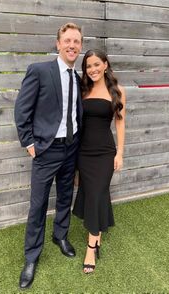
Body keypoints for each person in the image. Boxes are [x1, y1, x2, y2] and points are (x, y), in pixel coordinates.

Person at [14, 23, 83, 289]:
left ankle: (60, 235)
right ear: (58, 43)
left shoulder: (77, 78)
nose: (72, 45)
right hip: (46, 150)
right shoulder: (40, 71)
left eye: (76, 41)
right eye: (67, 40)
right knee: (38, 204)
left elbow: (76, 114)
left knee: (65, 196)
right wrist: (29, 142)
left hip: (71, 148)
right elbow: (22, 111)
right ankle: (32, 256)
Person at [72, 49, 126, 273]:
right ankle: (98, 231)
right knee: (93, 192)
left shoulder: (117, 91)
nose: (92, 69)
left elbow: (120, 123)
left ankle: (91, 246)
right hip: (83, 152)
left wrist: (120, 152)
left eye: (96, 64)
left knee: (96, 193)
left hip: (105, 152)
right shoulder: (83, 90)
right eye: (88, 66)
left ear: (105, 64)